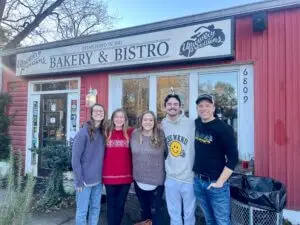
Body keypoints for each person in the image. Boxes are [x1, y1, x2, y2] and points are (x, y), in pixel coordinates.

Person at [193, 94, 239, 225]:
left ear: (213, 108)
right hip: (198, 181)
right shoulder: (196, 124)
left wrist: (220, 182)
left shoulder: (224, 128)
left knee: (222, 221)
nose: (204, 108)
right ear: (197, 108)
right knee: (209, 219)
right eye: (200, 106)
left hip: (216, 184)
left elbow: (233, 158)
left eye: (207, 105)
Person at [161, 94, 196, 225]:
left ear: (180, 106)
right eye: (169, 104)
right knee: (174, 214)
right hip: (171, 177)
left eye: (175, 104)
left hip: (189, 177)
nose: (172, 107)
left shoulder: (191, 123)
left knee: (189, 214)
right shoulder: (163, 124)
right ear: (165, 107)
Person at [72, 103, 106, 225]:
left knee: (95, 209)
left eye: (101, 111)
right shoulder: (83, 133)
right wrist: (79, 180)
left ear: (103, 115)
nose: (98, 113)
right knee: (82, 211)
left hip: (98, 181)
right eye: (96, 111)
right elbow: (75, 159)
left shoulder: (103, 133)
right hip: (84, 182)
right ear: (91, 114)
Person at [130, 111, 166, 225]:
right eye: (145, 119)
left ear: (154, 122)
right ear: (141, 121)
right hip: (139, 180)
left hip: (156, 181)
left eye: (151, 120)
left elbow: (167, 154)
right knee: (144, 211)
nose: (148, 122)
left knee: (156, 212)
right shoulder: (135, 134)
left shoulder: (160, 135)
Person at [102, 108, 134, 225]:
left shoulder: (130, 133)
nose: (119, 119)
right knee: (111, 204)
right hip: (109, 175)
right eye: (117, 117)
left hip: (126, 175)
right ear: (113, 119)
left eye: (122, 117)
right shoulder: (106, 132)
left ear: (125, 119)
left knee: (121, 204)